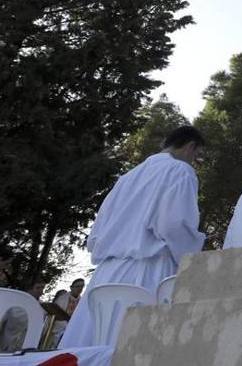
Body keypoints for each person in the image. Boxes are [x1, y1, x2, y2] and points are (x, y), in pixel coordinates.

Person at [59, 126, 206, 347]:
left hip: (106, 275)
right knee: (137, 346)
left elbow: (97, 231)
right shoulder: (180, 171)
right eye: (195, 156)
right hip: (150, 269)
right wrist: (191, 255)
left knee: (90, 345)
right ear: (190, 147)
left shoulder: (128, 177)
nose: (193, 161)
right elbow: (174, 224)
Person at [0, 281, 46, 352]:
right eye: (37, 288)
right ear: (29, 289)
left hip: (24, 346)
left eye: (42, 288)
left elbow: (41, 328)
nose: (40, 291)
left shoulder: (42, 307)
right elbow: (0, 319)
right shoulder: (14, 302)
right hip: (5, 341)